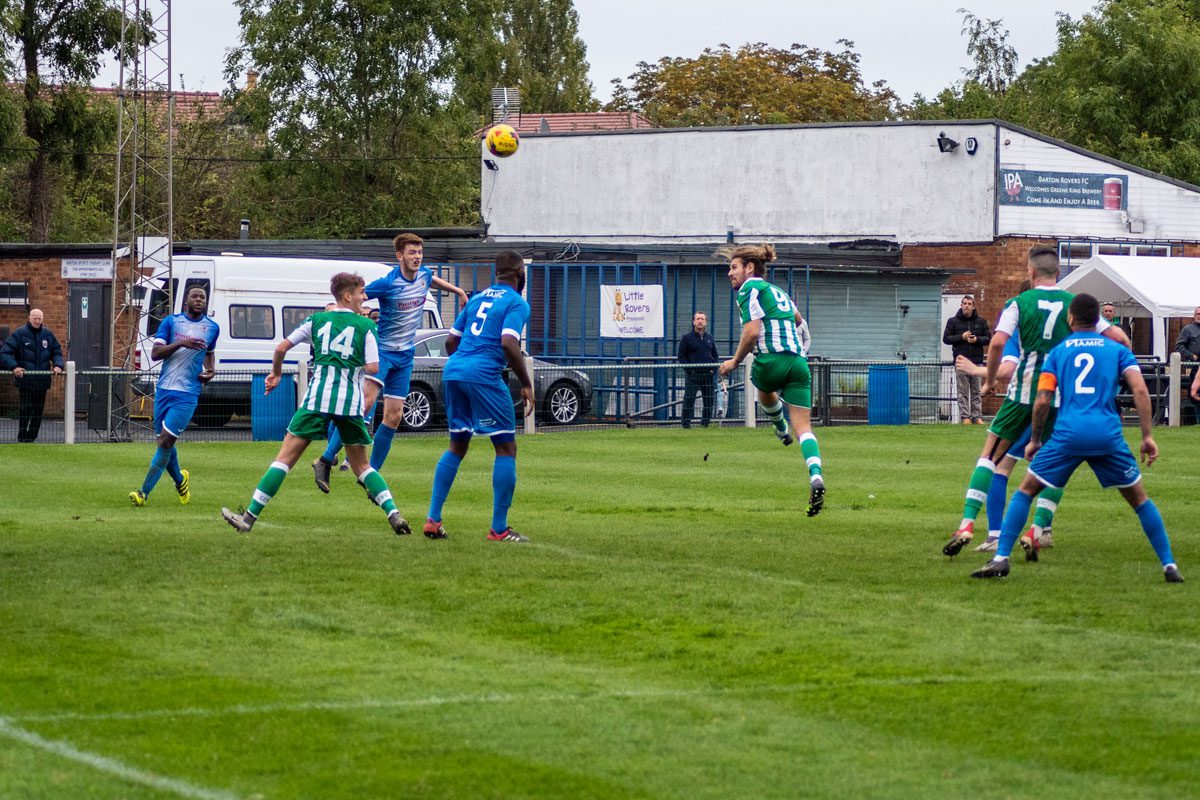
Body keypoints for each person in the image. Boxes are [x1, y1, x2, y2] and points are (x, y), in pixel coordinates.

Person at [972, 293, 1183, 583]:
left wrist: (1035, 439)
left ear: (1070, 318)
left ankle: (1001, 558)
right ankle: (1169, 564)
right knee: (1140, 500)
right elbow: (1140, 391)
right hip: (1107, 435)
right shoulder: (1117, 350)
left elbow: (1043, 399)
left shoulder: (1058, 353)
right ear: (1099, 319)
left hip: (1068, 435)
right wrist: (1147, 436)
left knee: (1025, 491)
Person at [943, 247, 1129, 555]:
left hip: (1024, 391)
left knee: (990, 458)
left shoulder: (1019, 303)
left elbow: (998, 342)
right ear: (1059, 272)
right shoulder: (1073, 304)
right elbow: (1119, 339)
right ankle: (1038, 529)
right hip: (1061, 396)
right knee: (1055, 464)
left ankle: (967, 524)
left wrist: (988, 380)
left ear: (1030, 271)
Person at [222, 273, 411, 535]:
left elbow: (281, 348)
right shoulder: (367, 326)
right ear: (348, 296)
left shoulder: (316, 320)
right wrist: (353, 361)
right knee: (362, 466)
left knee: (284, 459)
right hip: (349, 402)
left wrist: (276, 374)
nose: (365, 297)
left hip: (317, 399)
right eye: (361, 293)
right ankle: (394, 514)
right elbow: (373, 367)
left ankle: (249, 518)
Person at [312, 232, 468, 491]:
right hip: (382, 352)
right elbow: (356, 296)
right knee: (365, 404)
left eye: (420, 252)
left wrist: (457, 290)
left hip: (405, 356)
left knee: (394, 417)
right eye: (412, 253)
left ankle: (370, 474)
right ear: (399, 256)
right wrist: (353, 312)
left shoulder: (424, 275)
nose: (417, 257)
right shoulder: (388, 283)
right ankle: (326, 460)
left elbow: (432, 279)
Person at [423, 251, 534, 542]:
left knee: (457, 445)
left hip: (454, 371)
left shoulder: (476, 299)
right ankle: (499, 529)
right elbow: (508, 343)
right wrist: (526, 383)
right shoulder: (516, 302)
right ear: (520, 273)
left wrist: (463, 365)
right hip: (483, 374)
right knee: (506, 447)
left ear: (496, 272)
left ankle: (433, 519)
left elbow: (451, 341)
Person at [717, 244, 825, 517]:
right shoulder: (779, 292)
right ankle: (815, 475)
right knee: (805, 428)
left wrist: (734, 361)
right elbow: (799, 321)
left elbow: (752, 332)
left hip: (771, 359)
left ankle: (779, 428)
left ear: (749, 268)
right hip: (798, 363)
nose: (730, 273)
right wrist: (799, 342)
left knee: (763, 387)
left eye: (733, 267)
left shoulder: (748, 289)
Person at [129, 287, 219, 506]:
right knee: (164, 442)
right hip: (164, 390)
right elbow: (155, 354)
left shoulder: (212, 328)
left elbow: (209, 353)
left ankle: (143, 493)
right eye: (195, 296)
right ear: (186, 300)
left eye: (202, 297)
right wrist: (181, 343)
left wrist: (211, 371)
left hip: (187, 393)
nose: (199, 300)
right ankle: (180, 481)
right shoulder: (171, 322)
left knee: (166, 440)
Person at [0, 308, 64, 442]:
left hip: (42, 381)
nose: (37, 321)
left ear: (42, 319)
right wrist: (14, 367)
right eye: (34, 318)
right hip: (25, 381)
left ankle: (31, 438)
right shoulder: (20, 333)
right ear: (29, 318)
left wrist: (58, 365)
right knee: (25, 409)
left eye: (39, 318)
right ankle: (22, 437)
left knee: (38, 411)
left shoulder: (48, 334)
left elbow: (57, 351)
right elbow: (5, 353)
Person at [943, 294, 991, 424]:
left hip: (976, 362)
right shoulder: (953, 321)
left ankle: (977, 417)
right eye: (964, 303)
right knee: (962, 391)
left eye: (969, 304)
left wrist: (977, 339)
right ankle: (965, 417)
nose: (967, 306)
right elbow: (946, 339)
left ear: (973, 306)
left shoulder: (981, 322)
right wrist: (962, 337)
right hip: (961, 362)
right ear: (961, 305)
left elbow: (988, 338)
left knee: (976, 391)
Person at [677, 311, 719, 428]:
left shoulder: (710, 338)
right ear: (694, 322)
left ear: (706, 322)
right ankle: (685, 425)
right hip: (693, 375)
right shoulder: (686, 338)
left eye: (702, 319)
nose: (700, 321)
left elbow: (715, 355)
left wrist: (713, 369)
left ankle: (704, 424)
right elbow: (681, 356)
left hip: (708, 375)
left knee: (709, 400)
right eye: (698, 319)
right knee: (689, 400)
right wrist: (689, 369)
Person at [1176, 306, 1200, 425]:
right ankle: (1198, 420)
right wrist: (1192, 356)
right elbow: (1179, 346)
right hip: (1195, 366)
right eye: (1198, 313)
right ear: (1194, 315)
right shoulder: (1188, 329)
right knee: (1195, 393)